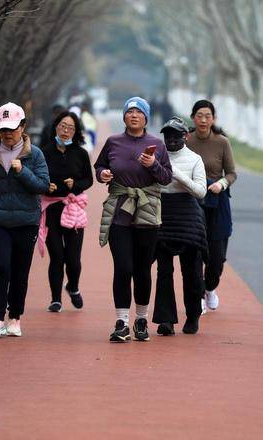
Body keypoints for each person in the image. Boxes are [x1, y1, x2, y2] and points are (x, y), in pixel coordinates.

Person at [94, 96, 172, 342]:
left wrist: (153, 165)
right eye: (130, 112)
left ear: (146, 118)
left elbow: (166, 178)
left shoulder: (156, 144)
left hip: (147, 211)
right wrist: (103, 174)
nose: (134, 116)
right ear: (124, 116)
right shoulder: (113, 142)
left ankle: (141, 319)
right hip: (119, 211)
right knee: (123, 267)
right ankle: (122, 322)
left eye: (139, 112)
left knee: (142, 269)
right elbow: (99, 166)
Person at [0, 102, 50, 337]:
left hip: (26, 222)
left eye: (12, 128)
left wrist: (22, 171)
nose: (7, 134)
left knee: (19, 271)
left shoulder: (34, 154)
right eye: (3, 129)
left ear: (23, 127)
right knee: (1, 266)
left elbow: (43, 185)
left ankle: (14, 318)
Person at [152, 117, 207, 336]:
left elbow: (200, 191)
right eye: (168, 136)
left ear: (186, 136)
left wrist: (177, 173)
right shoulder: (157, 156)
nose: (171, 140)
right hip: (162, 214)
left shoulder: (195, 159)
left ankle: (193, 315)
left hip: (188, 217)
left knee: (192, 272)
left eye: (176, 136)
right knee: (164, 271)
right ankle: (166, 320)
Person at [39, 111, 93, 313]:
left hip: (73, 209)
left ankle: (73, 286)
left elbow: (89, 180)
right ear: (56, 127)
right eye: (63, 126)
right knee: (57, 256)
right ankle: (56, 300)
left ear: (76, 131)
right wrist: (46, 186)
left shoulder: (81, 154)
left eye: (70, 128)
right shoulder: (43, 153)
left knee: (73, 259)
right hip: (51, 208)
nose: (65, 130)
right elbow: (36, 178)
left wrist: (75, 185)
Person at [186, 99, 237, 313]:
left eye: (208, 116)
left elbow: (232, 173)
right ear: (193, 118)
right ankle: (198, 295)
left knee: (217, 257)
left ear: (213, 118)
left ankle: (209, 288)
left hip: (217, 202)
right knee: (195, 253)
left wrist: (221, 184)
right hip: (192, 203)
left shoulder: (222, 142)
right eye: (199, 115)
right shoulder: (186, 140)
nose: (203, 120)